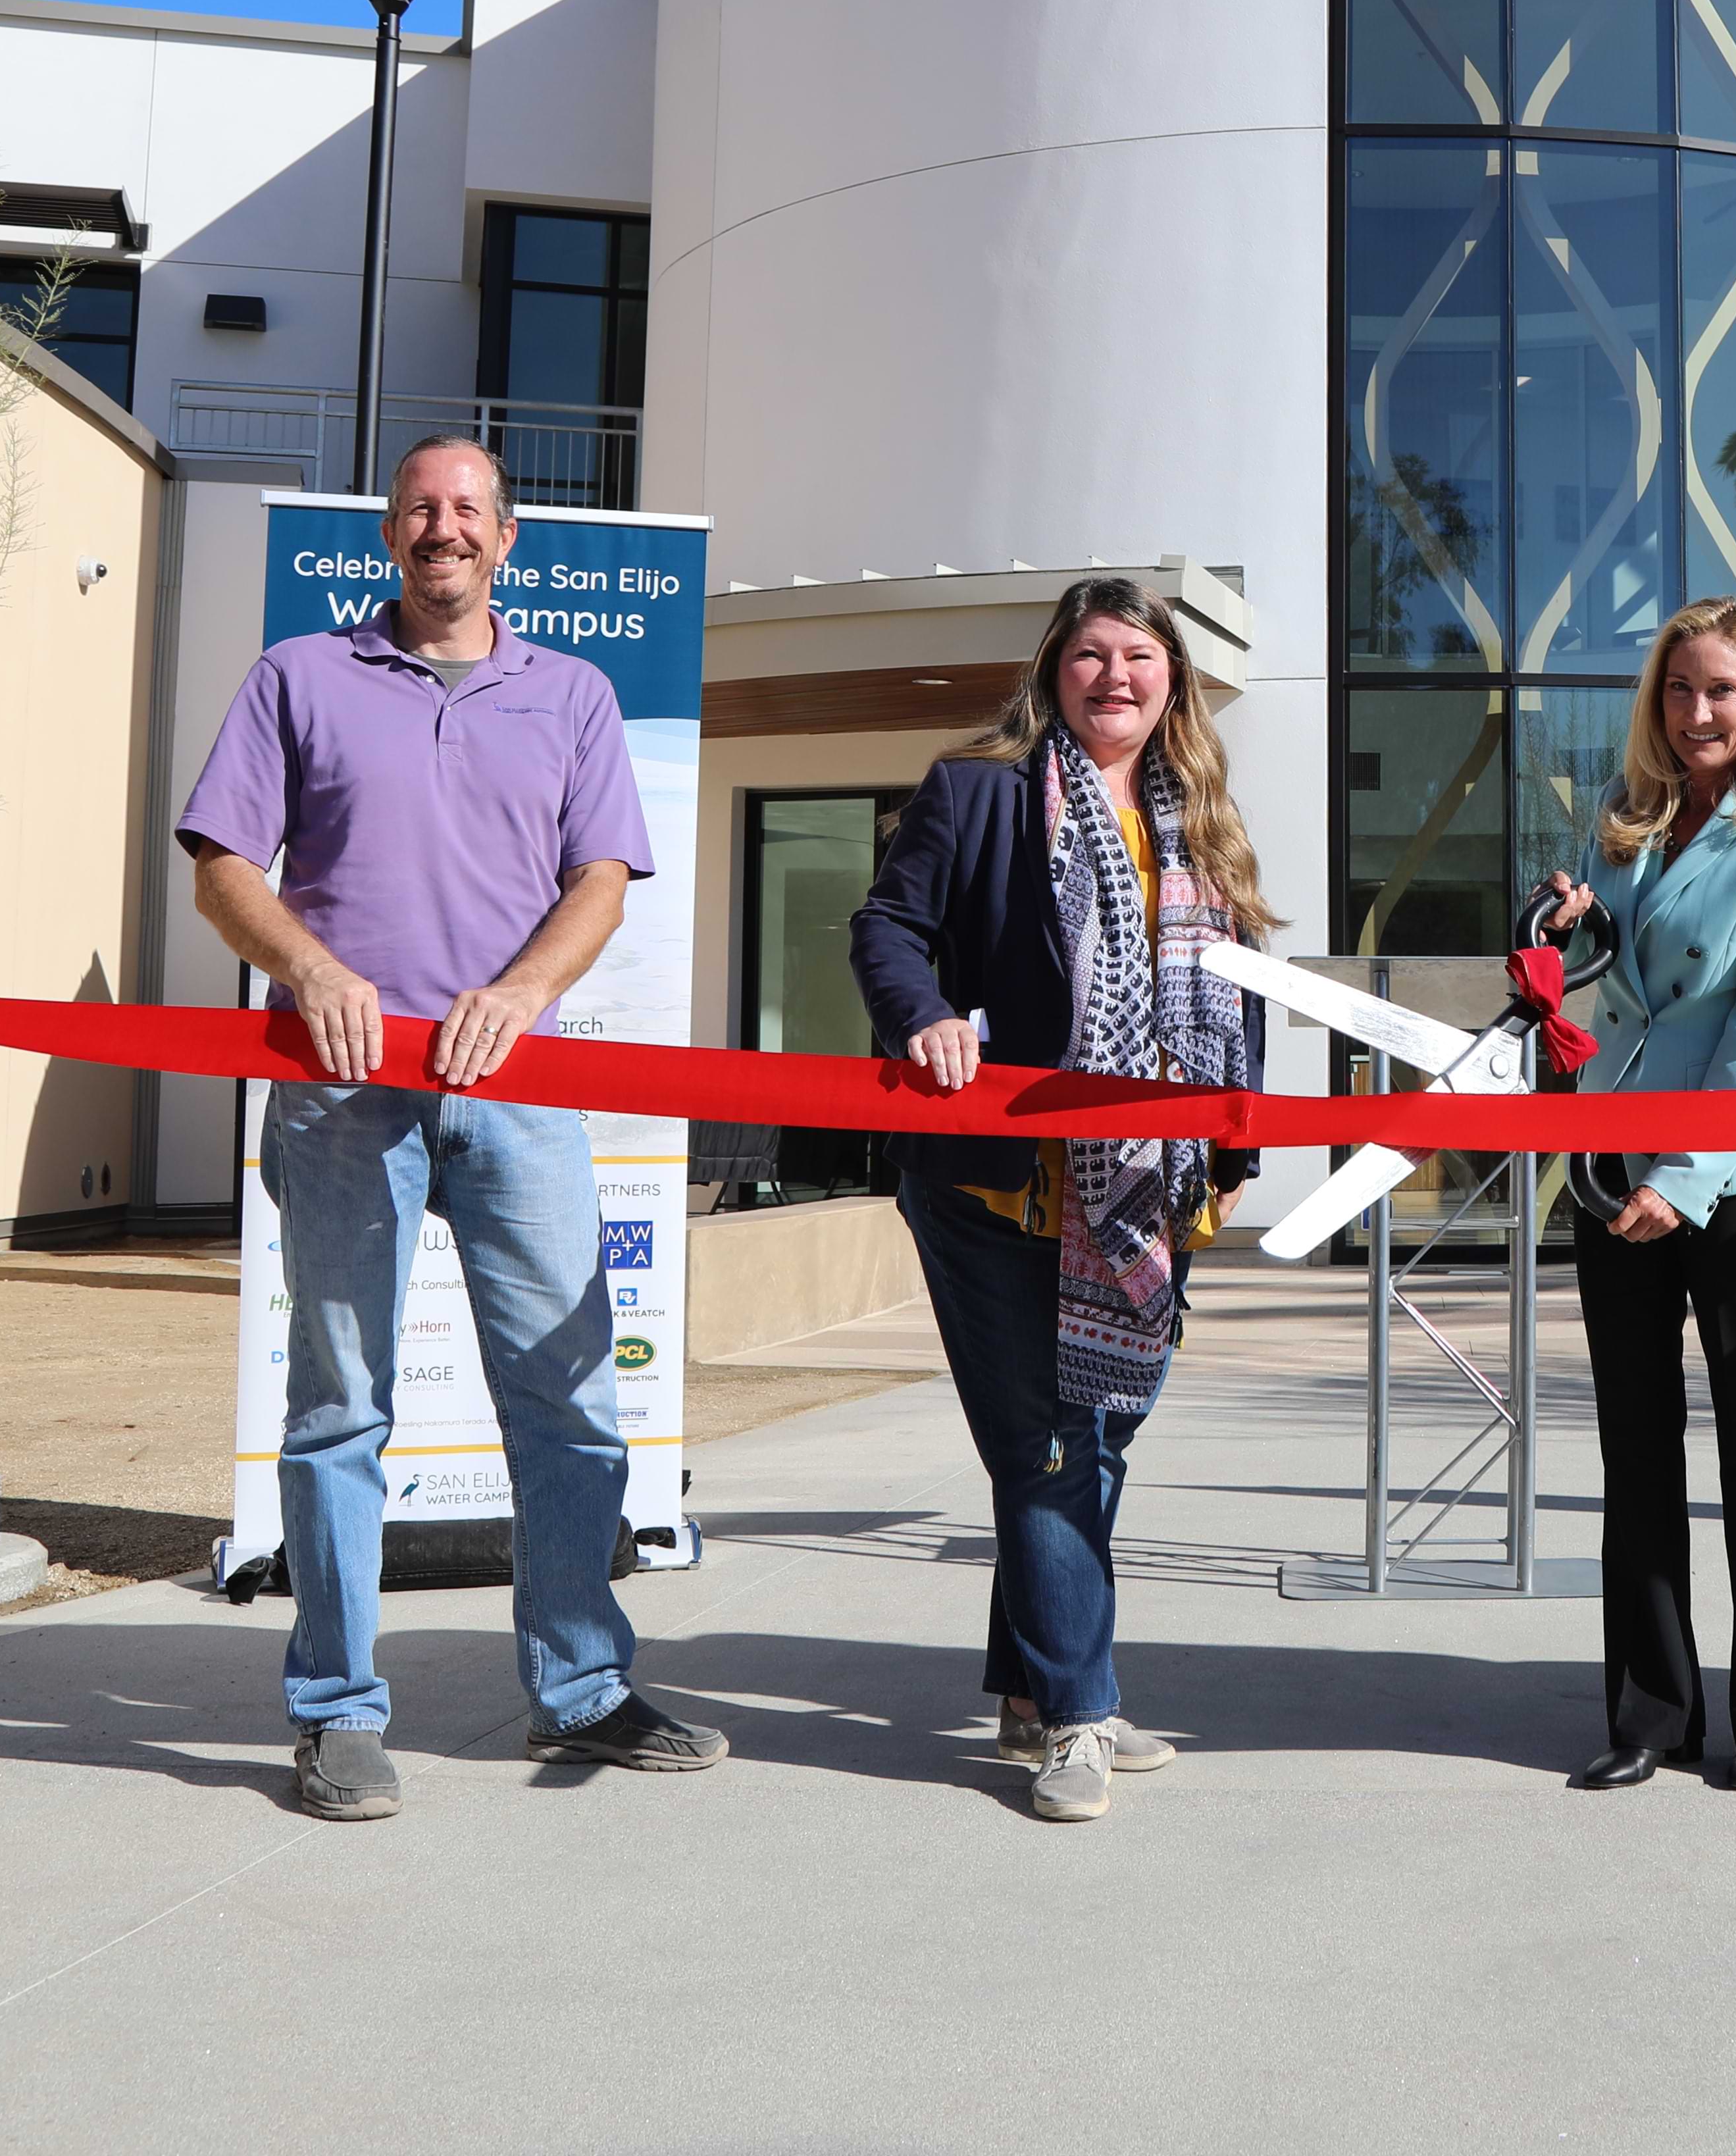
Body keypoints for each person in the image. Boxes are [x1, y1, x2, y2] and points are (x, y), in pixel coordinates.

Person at [178, 435, 725, 1824]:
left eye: (468, 507)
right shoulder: (298, 676)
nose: (444, 526)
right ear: (388, 534)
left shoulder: (576, 693)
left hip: (520, 1091)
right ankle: (336, 1711)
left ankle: (585, 1685)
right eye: (422, 506)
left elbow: (602, 879)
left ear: (506, 537)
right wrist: (306, 967)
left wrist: (525, 992)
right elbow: (226, 866)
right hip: (344, 1092)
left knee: (569, 1396)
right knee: (340, 1403)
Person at [852, 578, 1277, 1824]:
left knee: (1100, 1428)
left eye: (1138, 656)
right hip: (997, 1186)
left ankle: (1033, 1689)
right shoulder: (978, 789)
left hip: (1151, 1186)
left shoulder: (1202, 818)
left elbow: (1237, 986)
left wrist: (1233, 1154)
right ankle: (1078, 1717)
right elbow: (886, 927)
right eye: (1090, 655)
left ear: (1172, 682)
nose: (1114, 678)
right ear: (1054, 673)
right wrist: (924, 1017)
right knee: (1045, 1440)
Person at [1534, 599, 1736, 1793]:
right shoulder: (1625, 825)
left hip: (1732, 1182)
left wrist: (1688, 1180)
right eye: (1678, 689)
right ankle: (1652, 1714)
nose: (1699, 711)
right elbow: (1610, 997)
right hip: (1607, 1174)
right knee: (1636, 1449)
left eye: (1720, 688)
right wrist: (1573, 932)